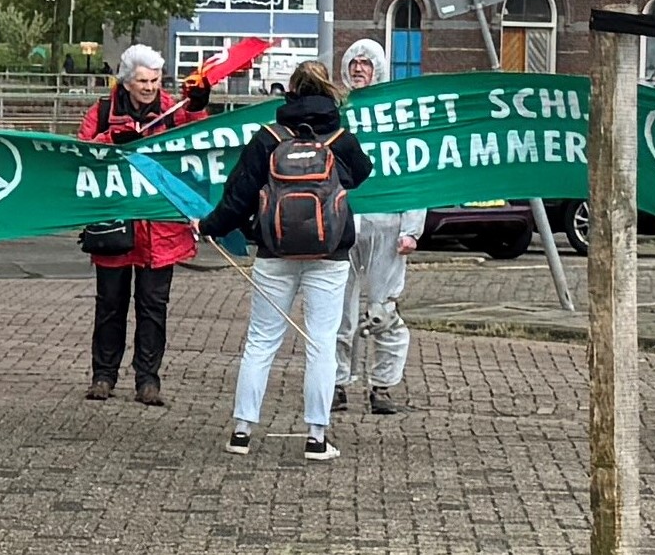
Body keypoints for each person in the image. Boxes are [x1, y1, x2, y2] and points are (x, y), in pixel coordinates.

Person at [195, 61, 375, 461]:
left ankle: (242, 431)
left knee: (261, 340)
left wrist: (209, 226)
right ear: (328, 91)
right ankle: (316, 436)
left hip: (273, 252)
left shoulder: (268, 138)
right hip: (329, 255)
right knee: (321, 343)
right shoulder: (341, 138)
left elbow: (237, 197)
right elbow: (362, 173)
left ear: (291, 91)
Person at [76, 44, 211, 406]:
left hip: (160, 229)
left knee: (154, 306)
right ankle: (103, 375)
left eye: (154, 80)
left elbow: (200, 139)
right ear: (127, 81)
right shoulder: (102, 112)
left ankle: (148, 379)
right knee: (110, 304)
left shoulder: (173, 110)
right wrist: (112, 140)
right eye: (142, 81)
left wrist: (197, 106)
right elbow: (82, 154)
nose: (149, 87)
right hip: (115, 227)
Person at [333, 39, 422, 416]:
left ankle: (382, 386)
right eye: (353, 63)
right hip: (345, 224)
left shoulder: (398, 116)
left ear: (379, 70)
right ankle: (336, 383)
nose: (359, 69)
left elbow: (417, 168)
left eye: (366, 64)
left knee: (382, 309)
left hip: (387, 225)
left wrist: (412, 228)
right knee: (340, 312)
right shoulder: (338, 115)